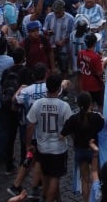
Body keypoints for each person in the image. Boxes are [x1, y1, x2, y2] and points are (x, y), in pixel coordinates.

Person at [30, 74, 73, 202]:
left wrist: (28, 143)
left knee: (47, 175)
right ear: (59, 88)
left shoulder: (38, 104)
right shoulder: (64, 106)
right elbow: (70, 125)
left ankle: (51, 197)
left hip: (42, 147)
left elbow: (30, 126)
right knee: (55, 177)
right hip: (58, 148)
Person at [63, 92, 105, 201]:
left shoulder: (74, 118)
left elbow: (63, 133)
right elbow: (103, 127)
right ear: (90, 103)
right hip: (94, 151)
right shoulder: (96, 117)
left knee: (85, 180)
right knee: (97, 177)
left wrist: (73, 138)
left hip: (80, 151)